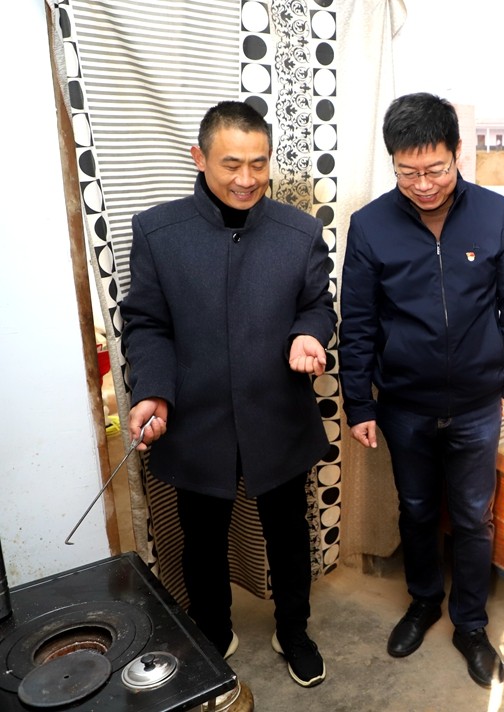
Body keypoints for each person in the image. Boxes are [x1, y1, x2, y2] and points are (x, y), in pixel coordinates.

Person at [120, 100, 333, 688]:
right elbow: (147, 324)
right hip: (198, 418)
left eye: (259, 164)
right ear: (200, 157)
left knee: (289, 535)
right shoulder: (158, 231)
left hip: (277, 413)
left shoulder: (299, 232)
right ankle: (213, 632)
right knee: (201, 539)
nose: (247, 179)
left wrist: (308, 334)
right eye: (231, 164)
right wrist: (153, 392)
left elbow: (317, 305)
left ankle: (294, 630)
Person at [338, 92, 504, 688]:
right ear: (393, 163)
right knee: (418, 509)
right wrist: (359, 402)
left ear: (458, 153)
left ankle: (470, 625)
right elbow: (359, 322)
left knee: (474, 518)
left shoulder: (495, 214)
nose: (423, 185)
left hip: (477, 404)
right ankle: (423, 600)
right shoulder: (370, 226)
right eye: (408, 172)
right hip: (405, 404)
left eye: (436, 170)